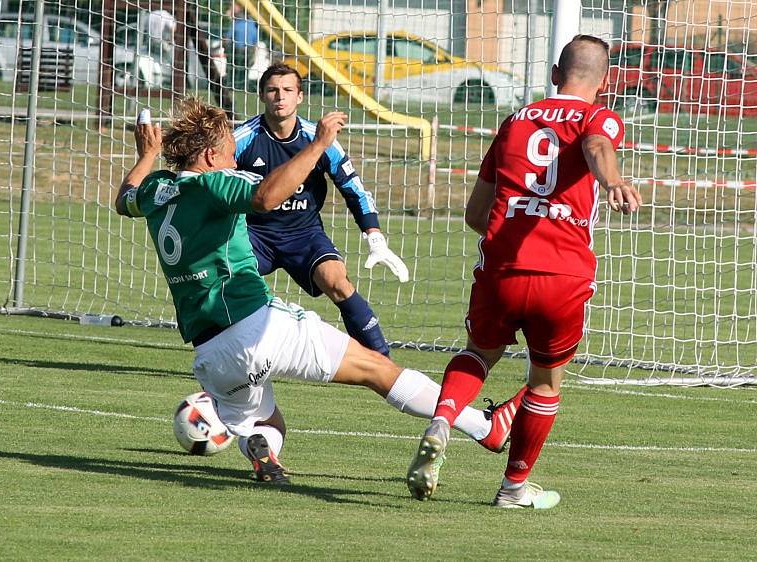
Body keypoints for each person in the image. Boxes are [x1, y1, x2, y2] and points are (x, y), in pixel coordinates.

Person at [115, 97, 517, 486]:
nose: (234, 160)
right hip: (259, 325)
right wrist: (320, 144)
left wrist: (147, 154)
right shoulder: (214, 185)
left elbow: (123, 200)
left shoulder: (156, 191)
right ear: (207, 157)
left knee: (268, 422)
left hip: (210, 354)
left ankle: (262, 448)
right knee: (379, 371)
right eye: (228, 152)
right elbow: (265, 197)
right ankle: (484, 427)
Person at [406, 35, 643, 508]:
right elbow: (596, 144)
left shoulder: (514, 121)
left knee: (478, 354)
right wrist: (612, 179)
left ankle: (444, 418)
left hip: (503, 264)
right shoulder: (599, 117)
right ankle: (514, 487)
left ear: (555, 74)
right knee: (544, 382)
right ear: (603, 81)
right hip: (563, 272)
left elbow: (476, 213)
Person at [233, 63, 408, 358]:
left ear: (300, 97)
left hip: (303, 233)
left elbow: (353, 187)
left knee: (337, 281)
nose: (280, 97)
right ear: (262, 95)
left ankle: (380, 357)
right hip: (254, 234)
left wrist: (375, 237)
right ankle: (235, 358)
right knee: (227, 285)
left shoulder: (320, 138)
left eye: (288, 90)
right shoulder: (241, 139)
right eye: (273, 90)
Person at [225, 2, 259, 90]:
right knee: (238, 70)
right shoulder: (247, 24)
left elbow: (255, 43)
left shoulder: (245, 24)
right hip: (241, 51)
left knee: (238, 71)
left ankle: (236, 86)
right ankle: (237, 86)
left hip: (243, 51)